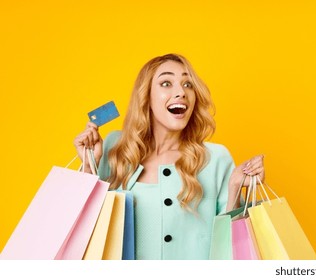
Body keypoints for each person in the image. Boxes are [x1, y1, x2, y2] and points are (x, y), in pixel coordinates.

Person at [72, 53, 265, 260]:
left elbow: (233, 247)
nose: (181, 92)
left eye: (188, 84)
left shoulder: (216, 158)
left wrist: (236, 187)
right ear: (146, 97)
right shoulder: (115, 148)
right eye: (166, 83)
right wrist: (89, 165)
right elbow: (83, 233)